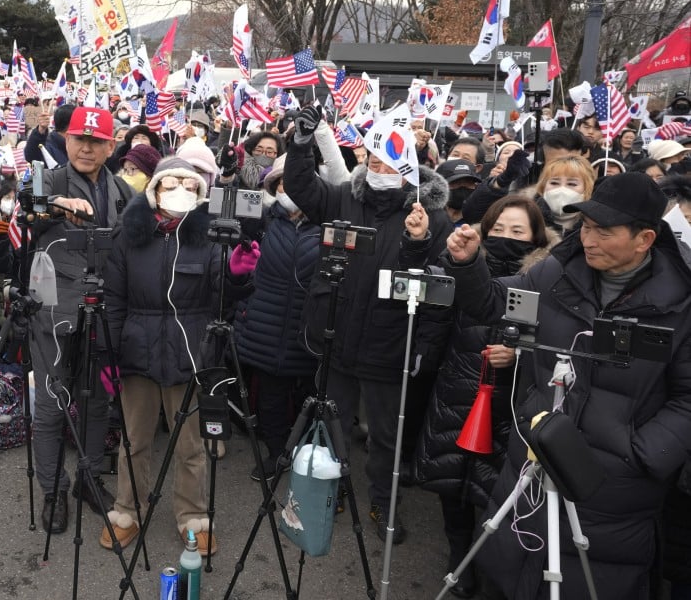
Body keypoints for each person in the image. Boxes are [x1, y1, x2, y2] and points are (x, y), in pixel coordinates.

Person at [442, 172, 691, 600]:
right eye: (587, 227)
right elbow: (495, 304)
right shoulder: (557, 271)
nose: (589, 240)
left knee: (587, 582)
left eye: (604, 232)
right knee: (511, 570)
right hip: (533, 460)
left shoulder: (680, 302)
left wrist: (642, 453)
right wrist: (468, 264)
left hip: (615, 486)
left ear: (645, 238)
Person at [282, 105, 453, 543]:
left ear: (410, 168)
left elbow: (436, 289)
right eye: (375, 161)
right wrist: (301, 145)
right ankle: (332, 487)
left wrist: (419, 242)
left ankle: (383, 500)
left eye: (391, 164)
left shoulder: (430, 216)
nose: (381, 170)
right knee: (331, 421)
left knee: (385, 436)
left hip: (389, 344)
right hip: (336, 337)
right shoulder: (343, 197)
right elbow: (302, 187)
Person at [102, 157, 257, 555]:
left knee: (191, 444)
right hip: (137, 347)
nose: (179, 190)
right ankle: (127, 509)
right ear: (154, 188)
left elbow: (223, 296)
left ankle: (193, 515)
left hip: (190, 351)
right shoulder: (128, 236)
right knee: (134, 439)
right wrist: (109, 353)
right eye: (171, 182)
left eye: (189, 185)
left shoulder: (207, 237)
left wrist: (238, 274)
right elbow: (115, 298)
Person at [415, 196, 556, 598]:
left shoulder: (549, 280)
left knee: (498, 485)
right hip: (460, 385)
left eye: (518, 231)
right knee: (453, 477)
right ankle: (458, 558)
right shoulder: (460, 266)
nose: (506, 237)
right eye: (499, 229)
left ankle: (491, 559)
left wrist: (520, 354)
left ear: (536, 236)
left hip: (512, 401)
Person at [28, 106, 134, 534]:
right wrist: (55, 203)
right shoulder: (47, 179)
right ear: (66, 140)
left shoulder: (123, 191)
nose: (86, 147)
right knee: (52, 407)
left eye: (96, 141)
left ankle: (88, 480)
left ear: (111, 146)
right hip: (54, 312)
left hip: (104, 310)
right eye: (79, 139)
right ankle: (53, 490)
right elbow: (28, 206)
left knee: (97, 403)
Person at [233, 153, 319, 481]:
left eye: (298, 181)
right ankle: (276, 452)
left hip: (306, 329)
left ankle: (307, 453)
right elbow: (230, 212)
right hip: (266, 327)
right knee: (269, 399)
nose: (290, 188)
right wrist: (228, 179)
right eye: (283, 182)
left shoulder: (327, 222)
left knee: (309, 399)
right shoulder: (263, 217)